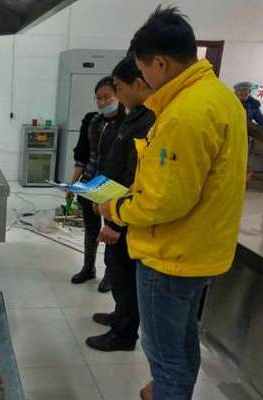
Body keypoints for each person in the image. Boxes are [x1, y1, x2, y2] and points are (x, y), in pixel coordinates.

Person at [98, 6, 247, 400]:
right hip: (200, 250)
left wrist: (115, 210)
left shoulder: (184, 114)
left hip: (171, 256)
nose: (142, 79)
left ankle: (170, 392)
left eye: (142, 69)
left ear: (160, 63)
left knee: (164, 355)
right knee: (181, 342)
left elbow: (166, 202)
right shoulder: (220, 96)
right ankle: (172, 390)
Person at [85, 56, 155, 352]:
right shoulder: (133, 115)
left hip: (126, 212)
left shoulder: (149, 120)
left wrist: (115, 222)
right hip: (113, 203)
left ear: (138, 84)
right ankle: (119, 316)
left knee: (125, 273)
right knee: (116, 266)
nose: (117, 96)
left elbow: (133, 173)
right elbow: (114, 162)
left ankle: (124, 335)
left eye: (118, 89)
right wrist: (99, 195)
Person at [69, 76, 126, 293]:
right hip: (89, 183)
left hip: (113, 187)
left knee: (110, 230)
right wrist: (71, 184)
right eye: (98, 98)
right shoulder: (91, 121)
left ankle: (110, 274)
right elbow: (81, 155)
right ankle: (88, 268)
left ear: (118, 96)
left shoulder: (127, 124)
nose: (102, 102)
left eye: (107, 97)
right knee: (90, 229)